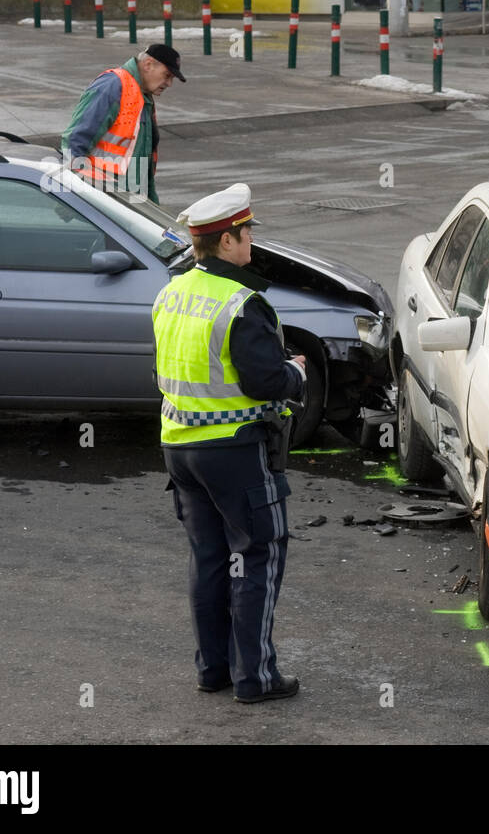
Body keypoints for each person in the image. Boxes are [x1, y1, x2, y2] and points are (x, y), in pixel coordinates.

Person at [153, 183, 307, 703]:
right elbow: (265, 382)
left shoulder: (170, 292)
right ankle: (255, 678)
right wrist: (296, 374)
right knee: (257, 555)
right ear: (225, 242)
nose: (250, 246)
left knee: (210, 558)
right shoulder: (241, 302)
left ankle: (213, 670)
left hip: (180, 447)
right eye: (245, 236)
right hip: (235, 450)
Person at [61, 43, 186, 204]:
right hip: (102, 201)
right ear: (148, 65)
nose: (169, 83)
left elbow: (143, 163)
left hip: (126, 201)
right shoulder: (113, 85)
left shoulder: (142, 96)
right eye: (167, 75)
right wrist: (76, 197)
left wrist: (150, 204)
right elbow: (74, 141)